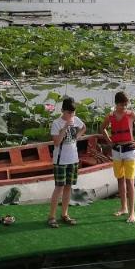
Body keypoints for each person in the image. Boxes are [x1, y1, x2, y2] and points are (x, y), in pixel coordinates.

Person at [99, 91, 135, 223]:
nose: (124, 107)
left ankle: (132, 213)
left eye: (126, 105)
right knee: (120, 179)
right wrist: (109, 142)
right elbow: (102, 128)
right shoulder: (110, 116)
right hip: (116, 151)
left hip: (130, 151)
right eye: (122, 105)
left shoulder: (131, 114)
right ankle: (123, 208)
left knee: (129, 181)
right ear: (116, 104)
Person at [47, 97, 85, 227]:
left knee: (69, 187)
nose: (71, 115)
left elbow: (84, 127)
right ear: (63, 110)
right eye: (69, 112)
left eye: (73, 113)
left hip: (73, 159)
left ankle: (64, 214)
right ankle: (51, 217)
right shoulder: (56, 123)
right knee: (59, 188)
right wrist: (64, 128)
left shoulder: (76, 120)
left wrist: (76, 137)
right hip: (60, 160)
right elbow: (56, 142)